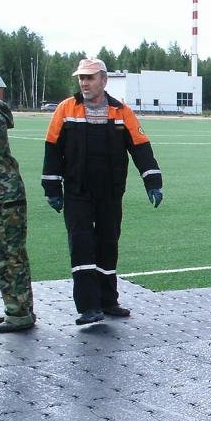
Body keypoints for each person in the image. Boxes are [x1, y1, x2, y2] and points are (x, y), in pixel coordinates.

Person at [42, 58, 163, 325]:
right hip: (77, 192)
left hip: (110, 193)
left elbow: (141, 148)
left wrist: (153, 181)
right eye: (81, 78)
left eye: (90, 78)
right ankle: (88, 307)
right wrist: (51, 187)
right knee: (82, 245)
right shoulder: (66, 109)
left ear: (104, 80)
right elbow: (52, 149)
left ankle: (108, 301)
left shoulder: (121, 112)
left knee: (108, 244)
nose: (84, 83)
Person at [0, 96, 36, 333]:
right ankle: (22, 308)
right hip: (6, 195)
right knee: (13, 255)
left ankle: (19, 313)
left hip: (1, 197)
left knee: (6, 257)